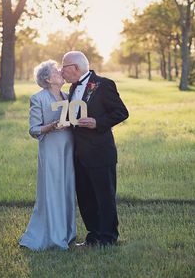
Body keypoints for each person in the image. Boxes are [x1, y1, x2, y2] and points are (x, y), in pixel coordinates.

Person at [61, 51, 129, 247]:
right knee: (85, 197)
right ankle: (93, 235)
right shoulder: (73, 88)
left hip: (100, 152)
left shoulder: (104, 84)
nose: (61, 70)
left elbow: (121, 112)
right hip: (79, 154)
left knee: (104, 196)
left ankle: (108, 238)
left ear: (75, 67)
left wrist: (97, 122)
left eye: (63, 66)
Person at [19, 60, 76, 251]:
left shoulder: (69, 96)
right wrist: (51, 126)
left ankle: (67, 234)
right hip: (51, 149)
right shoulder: (38, 98)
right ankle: (53, 236)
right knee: (52, 191)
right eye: (56, 71)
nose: (60, 71)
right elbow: (33, 130)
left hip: (69, 149)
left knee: (67, 189)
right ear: (47, 79)